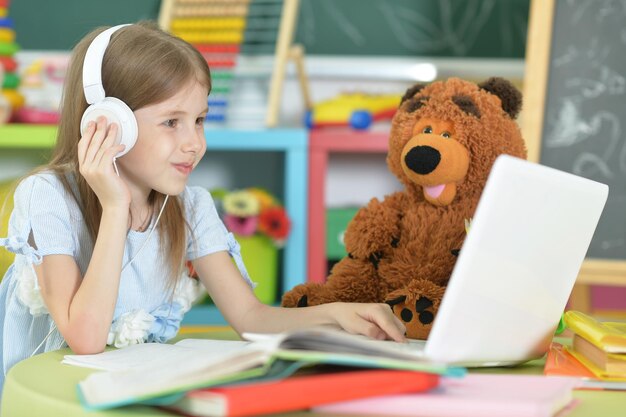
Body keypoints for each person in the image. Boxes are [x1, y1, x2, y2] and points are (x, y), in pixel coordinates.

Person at [0, 21, 405, 392]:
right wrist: (114, 207)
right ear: (108, 123)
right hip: (46, 395)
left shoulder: (190, 206)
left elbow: (251, 318)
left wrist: (336, 314)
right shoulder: (47, 195)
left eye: (200, 119)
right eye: (172, 122)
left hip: (122, 390)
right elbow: (86, 339)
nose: (195, 143)